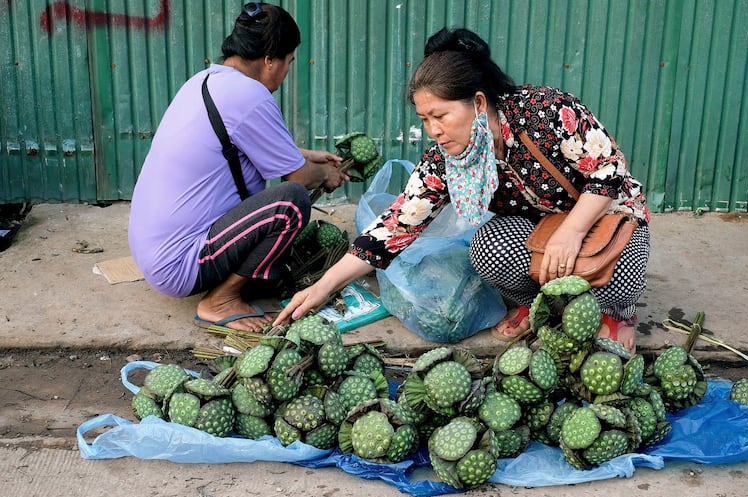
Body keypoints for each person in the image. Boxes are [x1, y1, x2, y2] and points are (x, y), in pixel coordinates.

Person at [276, 27, 650, 352]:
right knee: (487, 250)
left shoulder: (545, 111)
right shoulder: (445, 160)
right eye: (425, 119)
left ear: (479, 102)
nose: (433, 129)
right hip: (541, 229)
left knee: (621, 279)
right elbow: (395, 228)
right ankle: (538, 305)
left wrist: (572, 230)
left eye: (440, 116)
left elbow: (610, 171)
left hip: (607, 216)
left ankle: (618, 313)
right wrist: (323, 288)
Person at [129, 3, 348, 332]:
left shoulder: (205, 80)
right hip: (180, 263)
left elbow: (237, 141)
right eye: (288, 62)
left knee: (275, 260)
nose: (287, 72)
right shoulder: (251, 95)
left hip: (153, 253)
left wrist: (307, 155)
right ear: (270, 59)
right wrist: (328, 174)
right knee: (291, 202)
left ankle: (235, 283)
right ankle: (220, 300)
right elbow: (299, 178)